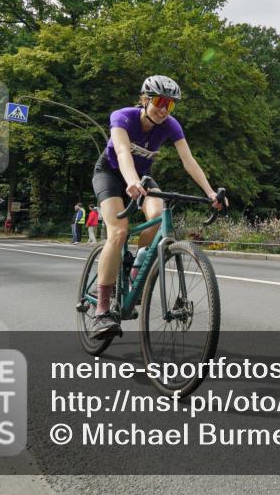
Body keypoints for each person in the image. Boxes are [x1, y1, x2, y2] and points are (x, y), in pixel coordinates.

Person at [89, 75, 223, 339]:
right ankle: (102, 311)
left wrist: (210, 192)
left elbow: (188, 160)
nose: (163, 109)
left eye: (169, 105)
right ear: (144, 99)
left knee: (157, 219)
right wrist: (130, 182)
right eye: (159, 102)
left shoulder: (171, 126)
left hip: (144, 181)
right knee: (118, 232)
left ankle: (135, 278)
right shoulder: (123, 117)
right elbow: (123, 153)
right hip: (111, 175)